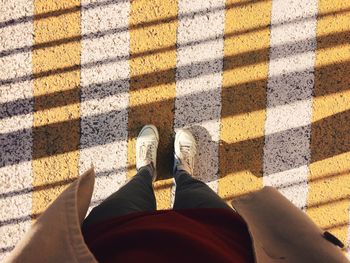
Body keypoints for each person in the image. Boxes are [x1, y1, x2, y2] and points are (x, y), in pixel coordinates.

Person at [5, 125, 348, 263]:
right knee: (195, 192)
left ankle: (147, 172)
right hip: (222, 240)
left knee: (133, 194)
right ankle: (182, 173)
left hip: (111, 240)